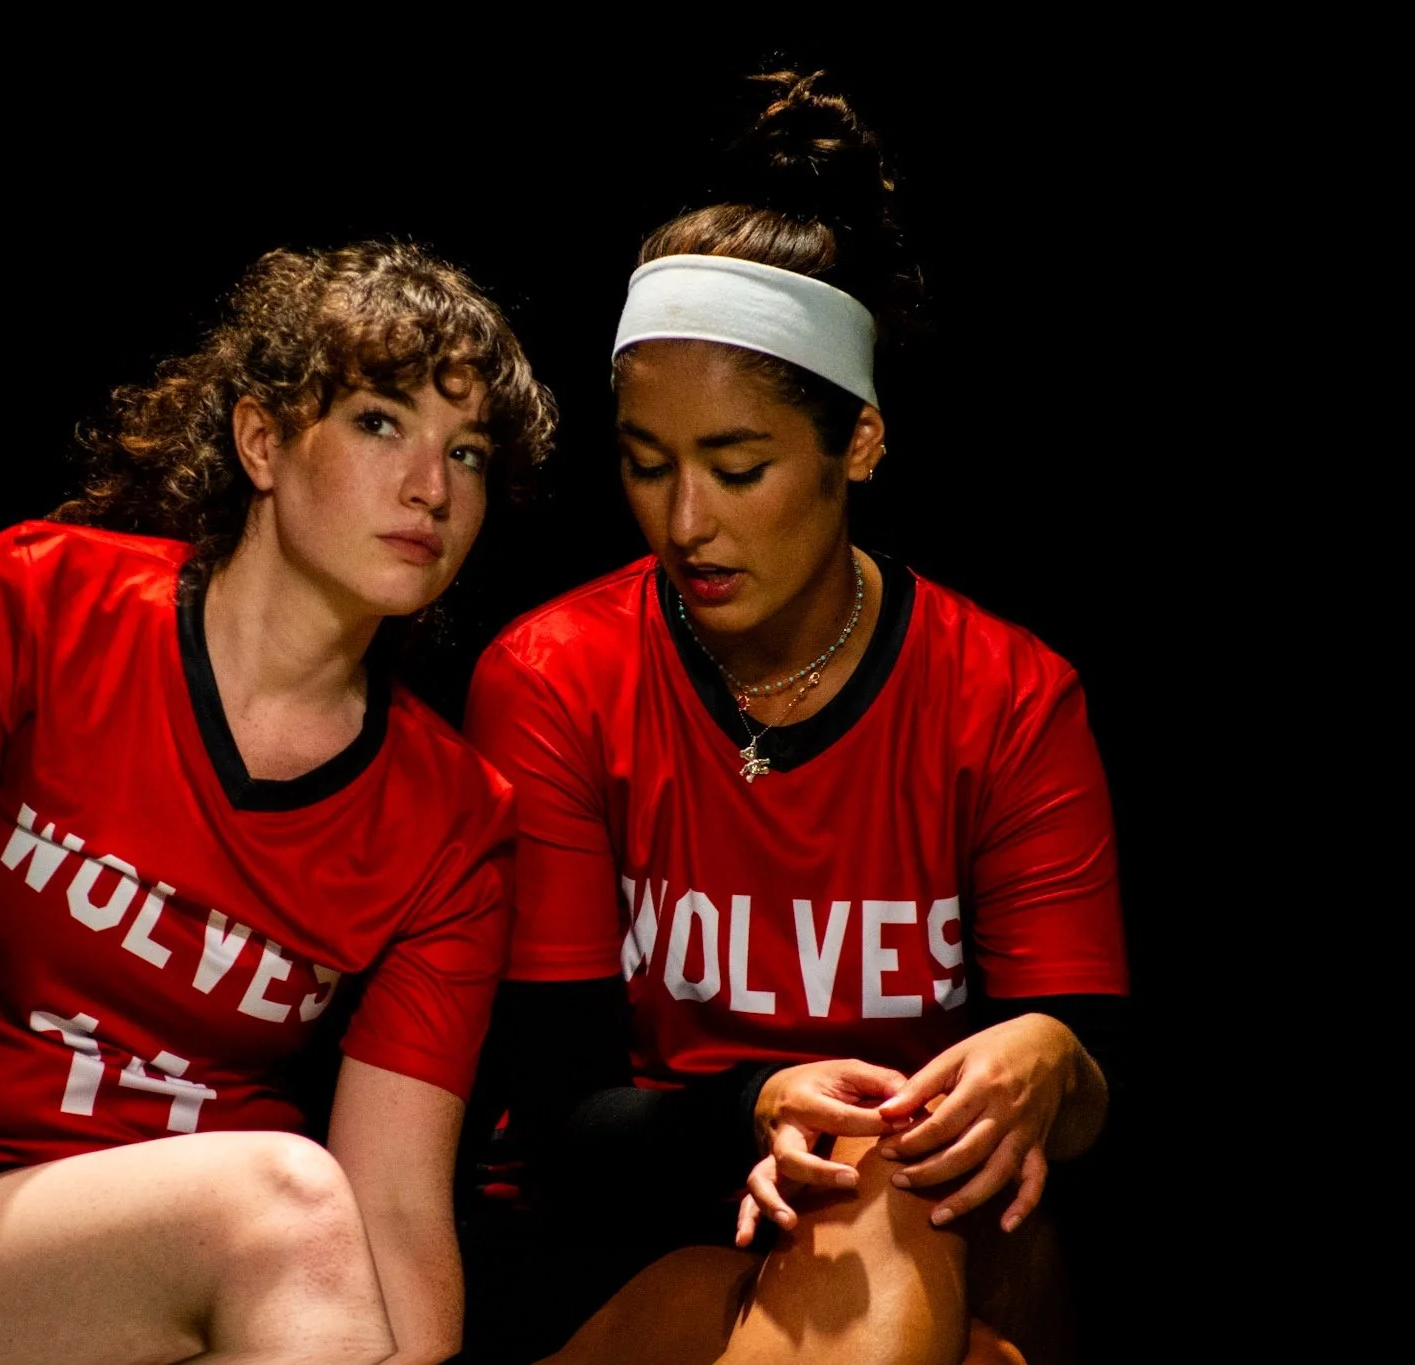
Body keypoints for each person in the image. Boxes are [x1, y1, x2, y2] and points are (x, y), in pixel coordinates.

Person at [0, 241, 558, 1365]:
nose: (430, 488)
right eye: (377, 422)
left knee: (313, 1244)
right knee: (286, 1204)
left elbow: (396, 1201)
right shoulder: (32, 605)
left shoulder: (454, 818)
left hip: (240, 1283)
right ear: (262, 440)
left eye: (469, 454)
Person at [460, 70, 1128, 1365]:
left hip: (915, 1223)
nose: (685, 522)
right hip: (629, 1237)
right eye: (647, 465)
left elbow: (1090, 1085)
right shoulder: (550, 678)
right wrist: (756, 1112)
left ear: (859, 444)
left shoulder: (1008, 694)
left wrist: (1054, 1059)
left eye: (738, 466)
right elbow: (560, 1121)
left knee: (910, 1193)